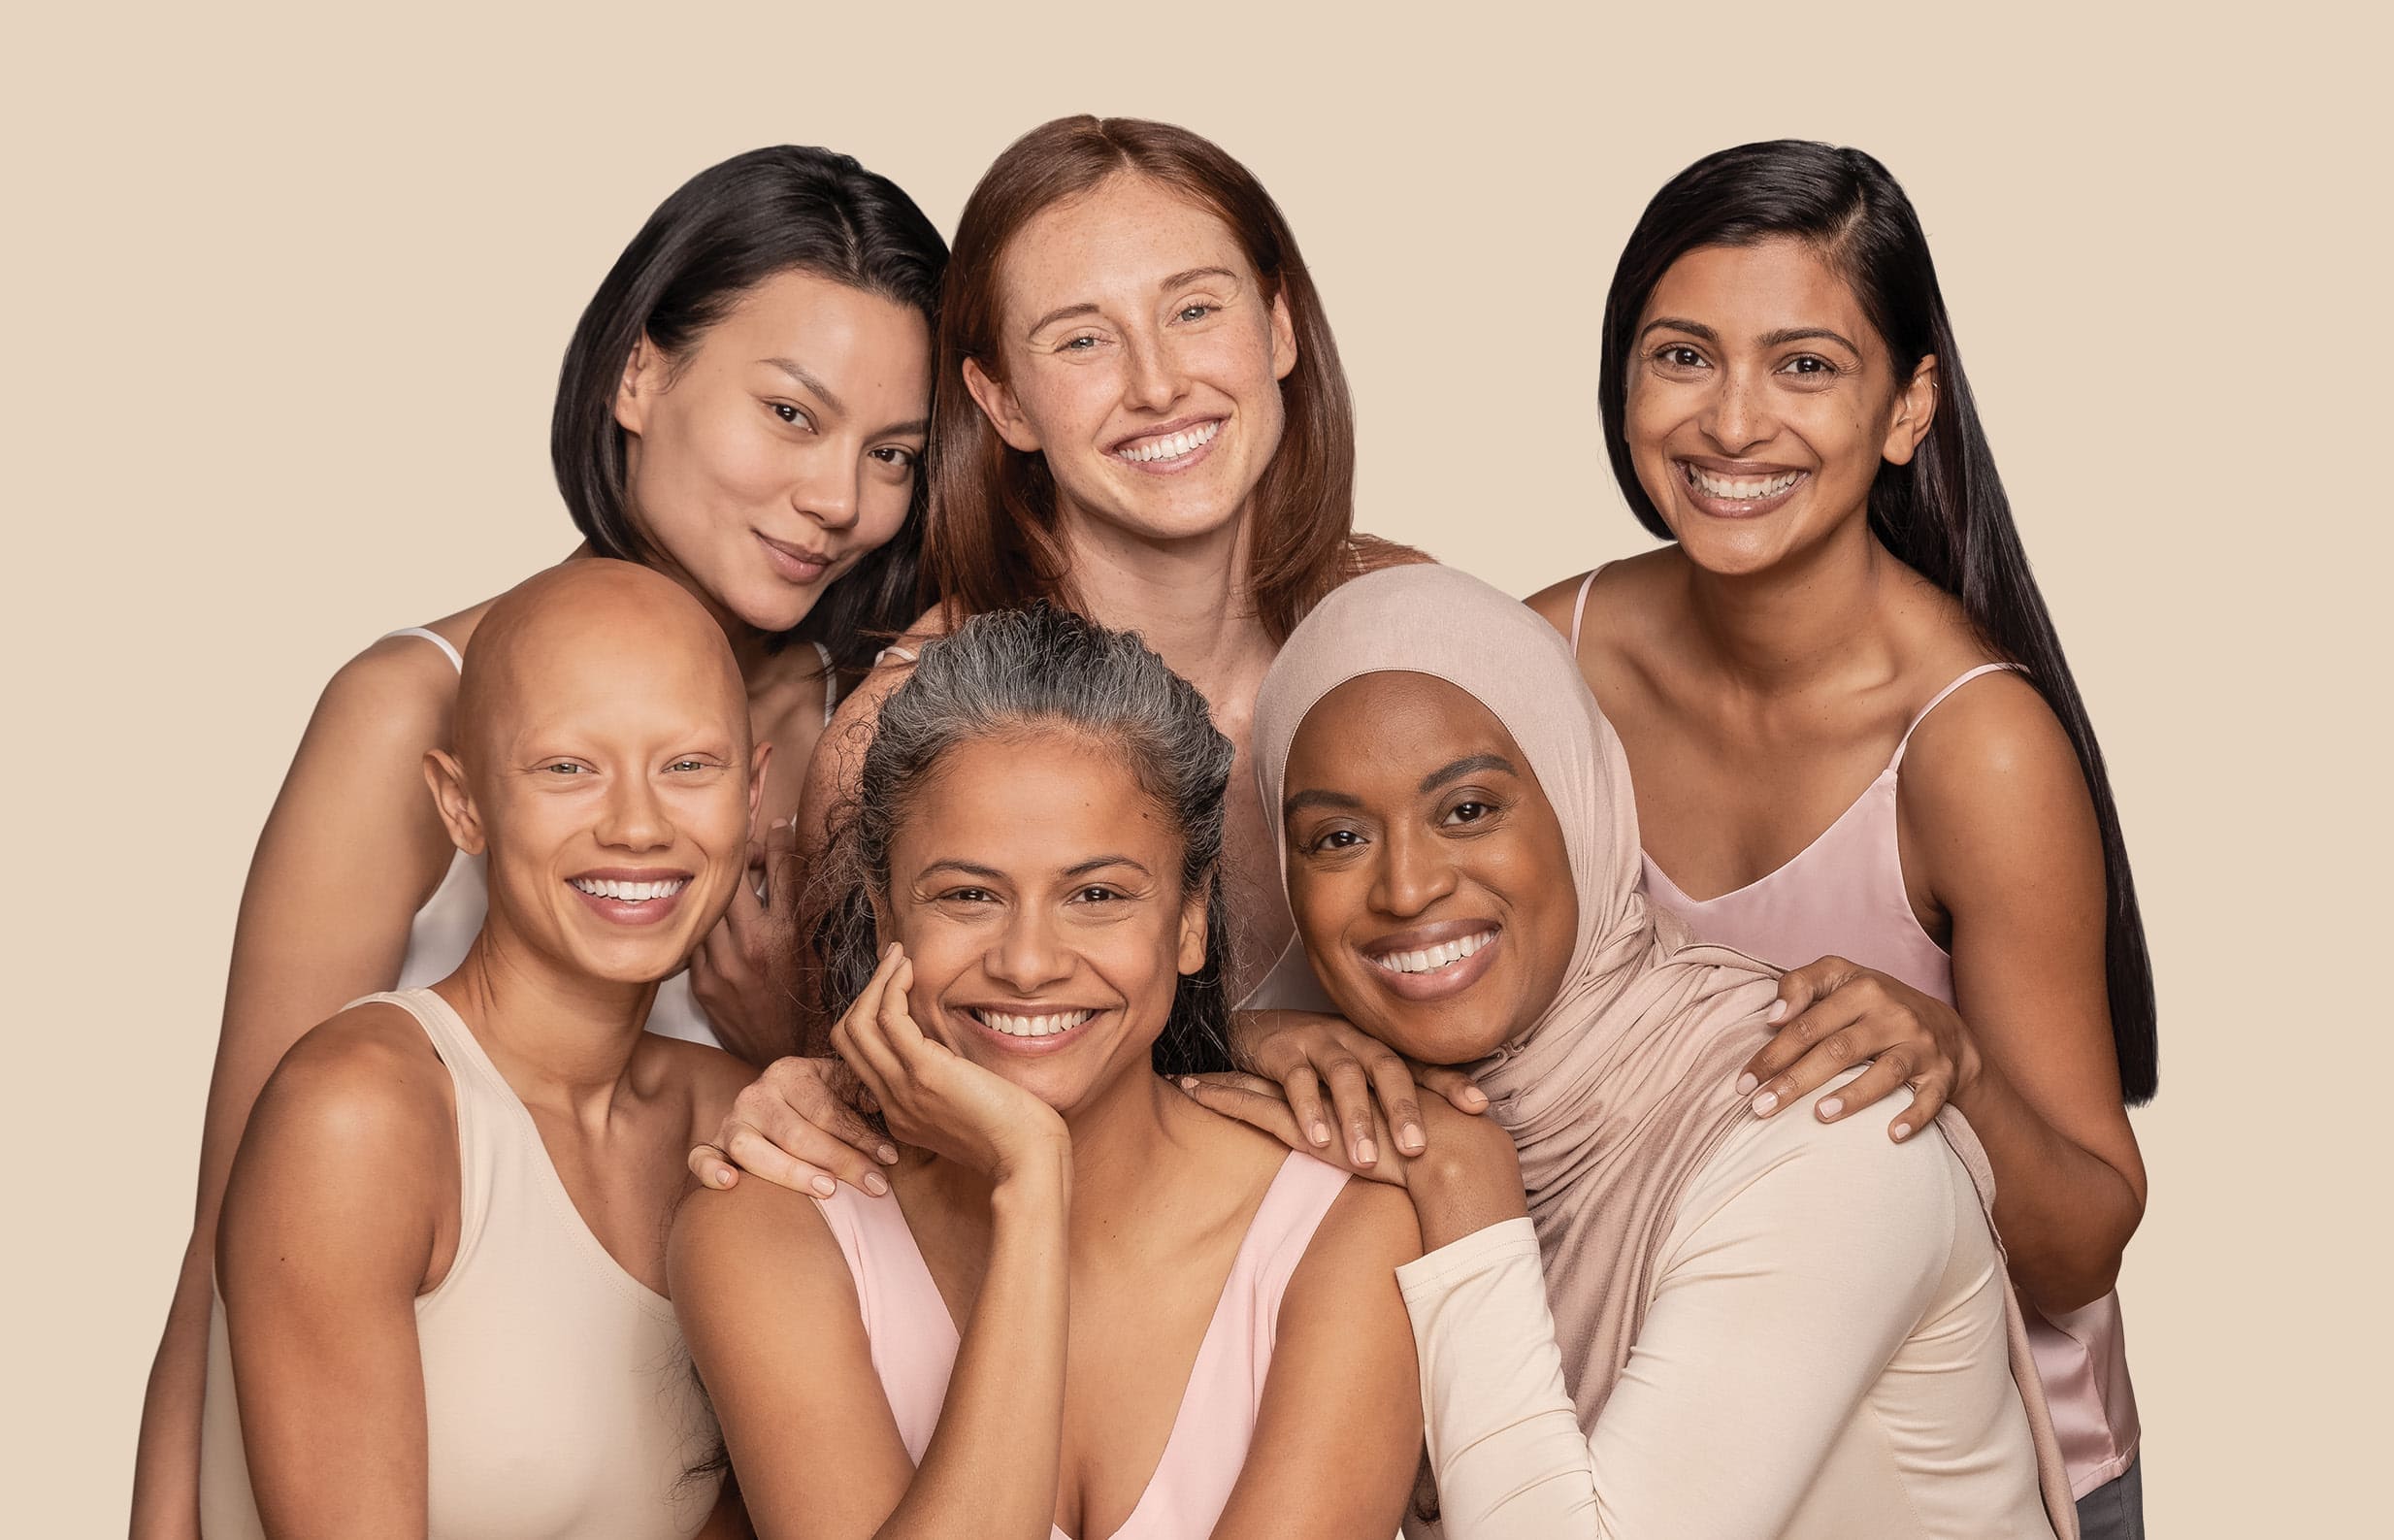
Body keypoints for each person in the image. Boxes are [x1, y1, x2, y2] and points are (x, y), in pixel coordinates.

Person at [1243, 141, 2153, 1535]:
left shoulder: (1969, 747)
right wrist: (1259, 1035)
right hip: (1615, 1395)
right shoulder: (1554, 652)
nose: (1731, 422)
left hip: (1940, 1445)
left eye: (1802, 365)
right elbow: (1383, 903)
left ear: (1906, 404)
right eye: (1681, 355)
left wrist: (1955, 1067)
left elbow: (2084, 1232)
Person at [133, 145, 944, 1536]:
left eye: (890, 456)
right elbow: (230, 1227)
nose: (838, 500)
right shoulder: (410, 710)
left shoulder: (858, 726)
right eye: (791, 415)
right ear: (639, 378)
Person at [1191, 564, 2077, 1538]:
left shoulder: (1825, 1129)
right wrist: (1234, 1033)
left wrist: (1463, 1183)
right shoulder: (1351, 1110)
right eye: (1338, 836)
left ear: (1579, 805)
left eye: (1469, 810)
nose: (1405, 888)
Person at [688, 115, 1459, 1199]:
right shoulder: (894, 738)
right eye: (1082, 339)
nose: (1156, 385)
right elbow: (891, 1173)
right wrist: (1244, 1043)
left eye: (1195, 309)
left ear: (1278, 328)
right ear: (1001, 399)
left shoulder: (1404, 622)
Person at [669, 606, 1424, 1540]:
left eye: (1097, 895)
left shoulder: (1345, 1231)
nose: (1028, 962)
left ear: (1190, 920)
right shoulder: (766, 1228)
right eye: (968, 895)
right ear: (886, 916)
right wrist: (1030, 1185)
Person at [198, 560, 762, 1538]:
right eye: (565, 768)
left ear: (751, 796)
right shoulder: (360, 1115)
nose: (637, 823)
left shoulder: (740, 1125)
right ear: (460, 804)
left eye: (688, 766)